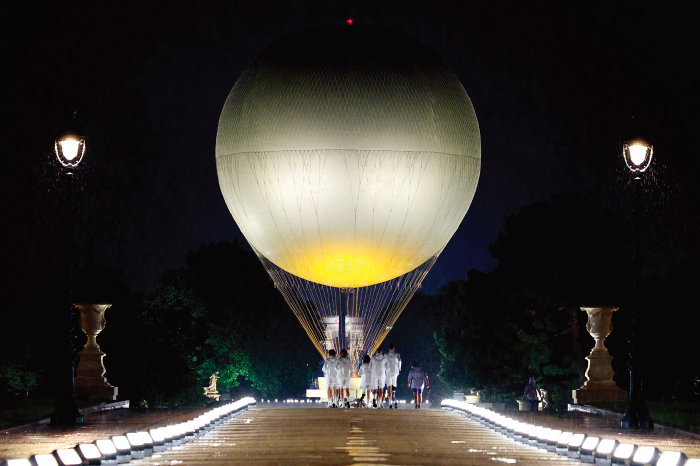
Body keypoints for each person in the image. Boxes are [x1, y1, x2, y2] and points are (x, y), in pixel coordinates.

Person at [384, 343, 401, 409]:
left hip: (388, 372)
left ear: (389, 348)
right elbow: (400, 362)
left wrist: (386, 369)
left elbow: (384, 363)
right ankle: (394, 394)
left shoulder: (385, 355)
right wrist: (399, 368)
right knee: (394, 385)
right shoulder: (397, 355)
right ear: (394, 348)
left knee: (389, 387)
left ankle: (390, 403)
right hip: (395, 372)